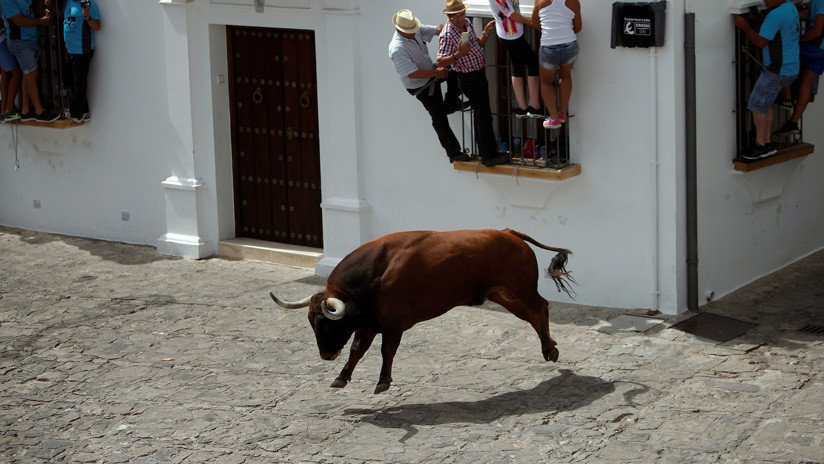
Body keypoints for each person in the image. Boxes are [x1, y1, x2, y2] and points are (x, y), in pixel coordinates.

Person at [388, 9, 471, 164]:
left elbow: (438, 30)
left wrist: (454, 25)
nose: (414, 33)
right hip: (420, 85)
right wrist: (435, 73)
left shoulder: (415, 28)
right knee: (438, 117)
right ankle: (454, 154)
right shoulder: (397, 49)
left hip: (431, 72)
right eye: (410, 32)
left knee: (457, 71)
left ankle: (451, 102)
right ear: (399, 30)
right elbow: (411, 74)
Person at [437, 0, 508, 166]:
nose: (462, 17)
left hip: (478, 74)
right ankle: (489, 156)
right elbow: (440, 61)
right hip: (468, 78)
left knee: (481, 116)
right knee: (483, 117)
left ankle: (487, 154)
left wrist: (486, 32)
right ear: (450, 17)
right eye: (458, 15)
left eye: (462, 13)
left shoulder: (467, 23)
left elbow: (477, 44)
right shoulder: (447, 34)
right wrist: (457, 55)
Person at [734, 0, 800, 160]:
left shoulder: (775, 15)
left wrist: (745, 27)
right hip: (791, 68)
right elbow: (778, 31)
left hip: (776, 71)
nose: (765, 0)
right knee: (765, 103)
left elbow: (760, 41)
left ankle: (760, 146)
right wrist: (758, 18)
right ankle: (767, 143)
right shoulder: (790, 7)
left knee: (756, 105)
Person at [0, 0, 59, 122]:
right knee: (31, 74)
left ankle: (26, 111)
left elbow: (30, 9)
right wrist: (41, 21)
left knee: (28, 75)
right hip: (20, 42)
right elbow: (18, 20)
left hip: (31, 38)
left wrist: (44, 12)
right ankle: (39, 111)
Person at [533, 0, 581, 130]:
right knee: (566, 76)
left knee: (545, 82)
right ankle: (562, 113)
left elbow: (535, 23)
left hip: (548, 47)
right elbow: (578, 28)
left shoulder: (539, 1)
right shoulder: (573, 2)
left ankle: (554, 119)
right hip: (570, 45)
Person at [488, 0, 542, 118]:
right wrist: (532, 23)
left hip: (509, 33)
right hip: (511, 34)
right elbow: (512, 14)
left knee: (517, 65)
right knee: (533, 63)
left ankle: (523, 108)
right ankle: (535, 107)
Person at [777, 0, 823, 135]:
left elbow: (817, 31)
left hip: (815, 46)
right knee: (806, 83)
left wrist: (799, 40)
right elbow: (811, 10)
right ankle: (793, 122)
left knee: (785, 57)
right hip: (820, 51)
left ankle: (787, 98)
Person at [63, 0, 100, 123]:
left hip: (82, 51)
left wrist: (87, 16)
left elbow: (97, 26)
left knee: (80, 81)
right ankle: (84, 111)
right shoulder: (68, 2)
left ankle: (76, 113)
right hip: (70, 51)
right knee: (72, 81)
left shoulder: (89, 4)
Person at [0, 18, 22, 122]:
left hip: (3, 40)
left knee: (5, 75)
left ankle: (4, 111)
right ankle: (8, 111)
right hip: (3, 41)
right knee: (16, 74)